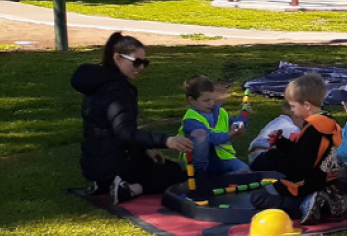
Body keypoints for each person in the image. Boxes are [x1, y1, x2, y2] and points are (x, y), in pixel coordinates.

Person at [71, 32, 194, 204]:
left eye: (145, 63)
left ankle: (106, 183)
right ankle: (128, 189)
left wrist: (145, 149)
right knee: (176, 174)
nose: (141, 67)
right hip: (113, 164)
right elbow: (124, 132)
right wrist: (167, 141)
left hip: (93, 164)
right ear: (117, 58)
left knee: (161, 166)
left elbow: (112, 130)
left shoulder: (99, 83)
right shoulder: (117, 90)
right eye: (136, 62)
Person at [249, 72, 345, 225]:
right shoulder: (328, 121)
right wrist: (281, 141)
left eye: (293, 106)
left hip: (308, 183)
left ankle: (306, 204)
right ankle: (322, 199)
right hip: (327, 179)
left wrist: (283, 176)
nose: (292, 110)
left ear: (306, 105)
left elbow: (300, 165)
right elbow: (304, 151)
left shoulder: (313, 129)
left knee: (258, 198)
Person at [180, 75, 250, 179]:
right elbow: (210, 138)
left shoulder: (220, 112)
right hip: (198, 163)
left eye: (213, 99)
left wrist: (242, 118)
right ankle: (201, 175)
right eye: (206, 100)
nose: (211, 103)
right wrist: (230, 134)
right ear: (191, 100)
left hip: (223, 158)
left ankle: (219, 179)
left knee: (245, 172)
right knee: (201, 136)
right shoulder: (191, 119)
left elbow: (234, 125)